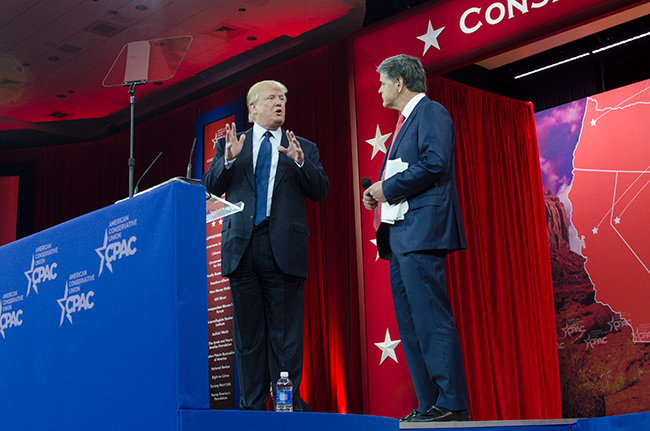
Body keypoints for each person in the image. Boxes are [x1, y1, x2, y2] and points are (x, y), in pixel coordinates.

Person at [203, 80, 329, 411]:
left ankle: (286, 405)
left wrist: (302, 163)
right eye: (271, 98)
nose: (279, 103)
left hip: (284, 250)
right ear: (252, 108)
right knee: (248, 338)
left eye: (283, 99)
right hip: (241, 248)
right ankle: (252, 409)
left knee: (285, 337)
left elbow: (321, 191)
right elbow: (210, 188)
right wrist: (228, 161)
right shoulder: (232, 144)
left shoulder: (303, 146)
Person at [362, 55, 469, 422]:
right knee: (410, 325)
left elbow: (435, 162)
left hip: (423, 233)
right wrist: (377, 193)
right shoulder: (403, 123)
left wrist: (386, 188)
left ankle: (452, 403)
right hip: (401, 237)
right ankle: (429, 404)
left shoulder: (432, 113)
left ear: (399, 83)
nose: (378, 89)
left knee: (432, 319)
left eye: (381, 82)